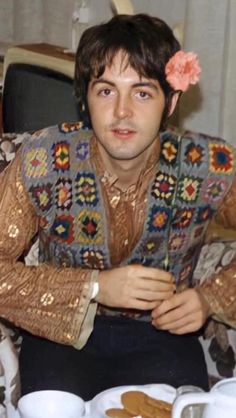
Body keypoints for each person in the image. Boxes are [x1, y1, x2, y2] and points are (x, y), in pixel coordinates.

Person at [0, 13, 236, 401]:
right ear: (85, 98)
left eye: (142, 92)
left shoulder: (208, 164)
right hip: (61, 338)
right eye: (106, 91)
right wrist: (94, 286)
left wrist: (210, 297)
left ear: (172, 101)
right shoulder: (43, 159)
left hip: (164, 337)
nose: (122, 112)